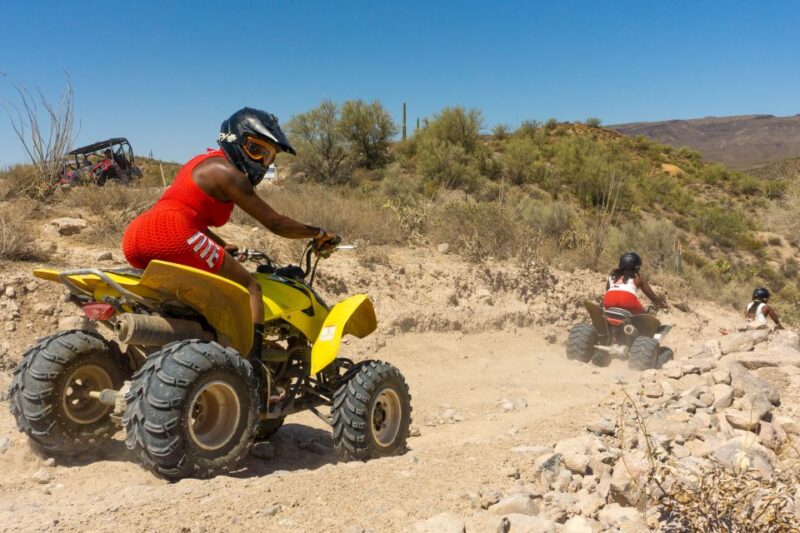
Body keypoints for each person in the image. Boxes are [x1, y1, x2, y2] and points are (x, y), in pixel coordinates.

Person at [122, 107, 337, 361]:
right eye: (256, 150)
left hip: (136, 235)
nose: (262, 162)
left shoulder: (201, 162)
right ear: (235, 140)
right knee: (250, 288)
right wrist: (318, 233)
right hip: (174, 233)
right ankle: (253, 373)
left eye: (269, 157)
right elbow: (276, 224)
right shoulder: (230, 174)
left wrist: (221, 244)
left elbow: (190, 213)